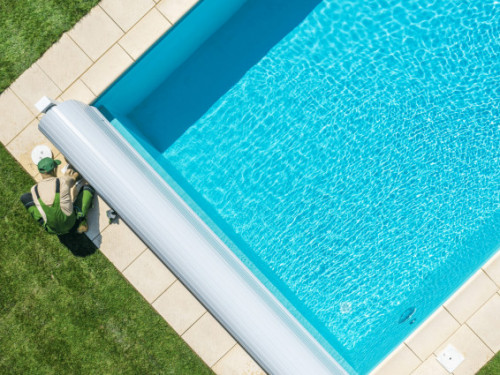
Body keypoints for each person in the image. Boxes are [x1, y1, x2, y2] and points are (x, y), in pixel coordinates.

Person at [20, 157, 94, 235]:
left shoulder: (34, 189)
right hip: (72, 225)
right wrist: (72, 173)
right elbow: (75, 177)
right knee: (88, 189)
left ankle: (42, 221)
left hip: (52, 229)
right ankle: (81, 224)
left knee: (24, 197)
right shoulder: (62, 182)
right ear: (54, 169)